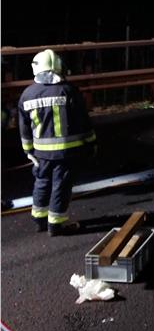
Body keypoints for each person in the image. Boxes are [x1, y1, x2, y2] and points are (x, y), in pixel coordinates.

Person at [17, 49, 96, 236]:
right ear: (59, 67)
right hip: (66, 152)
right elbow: (83, 121)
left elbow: (24, 127)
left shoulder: (27, 94)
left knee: (42, 182)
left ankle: (39, 219)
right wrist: (91, 143)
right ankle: (56, 224)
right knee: (61, 185)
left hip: (40, 153)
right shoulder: (69, 91)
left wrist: (28, 150)